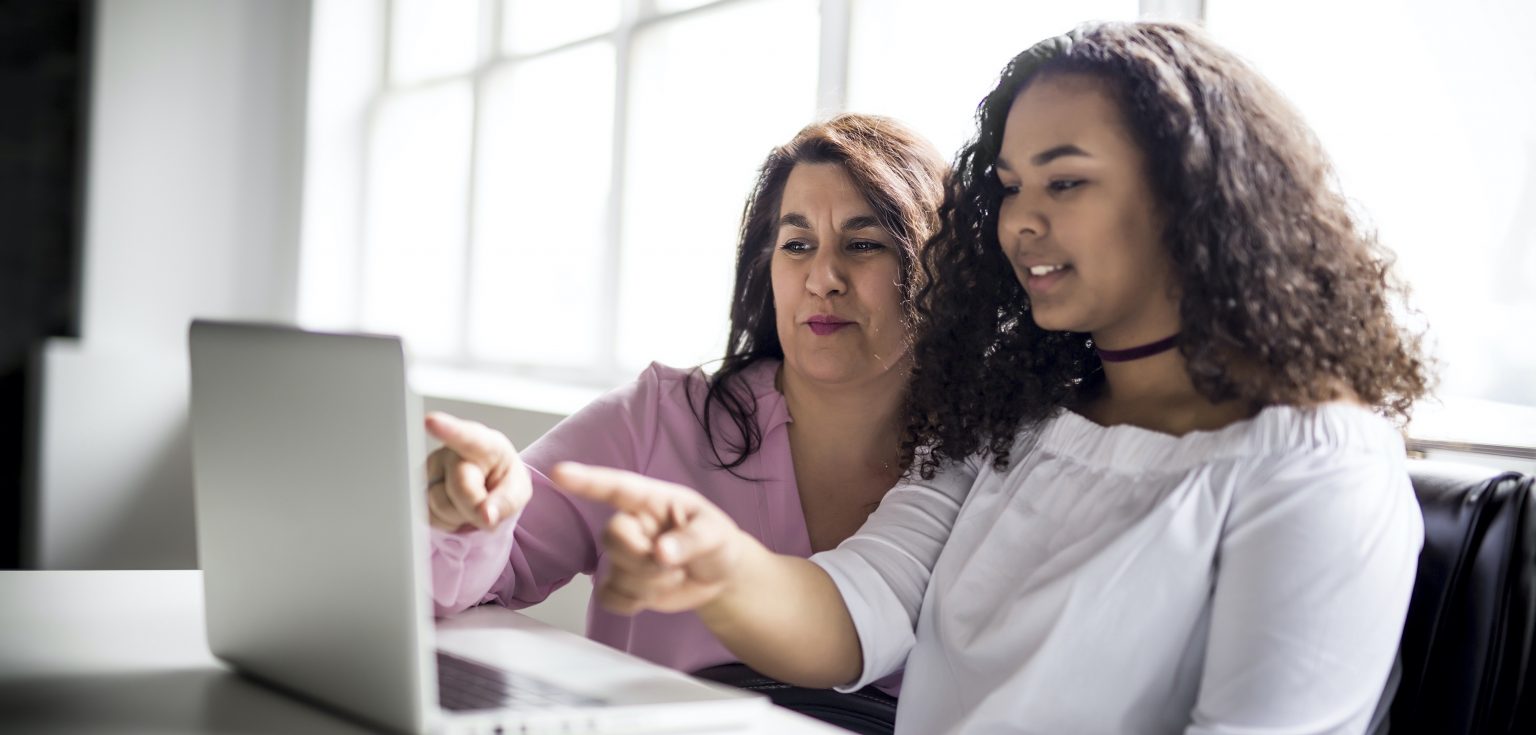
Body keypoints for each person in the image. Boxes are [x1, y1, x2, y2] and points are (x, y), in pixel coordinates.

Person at [550, 21, 1432, 735]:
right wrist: (723, 566)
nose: (1022, 224)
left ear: (1192, 197)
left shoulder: (1314, 467)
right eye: (1011, 188)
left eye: (1066, 183)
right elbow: (858, 610)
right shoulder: (1017, 423)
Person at [424, 113, 948, 734]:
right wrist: (474, 511)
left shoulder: (985, 467)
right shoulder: (657, 419)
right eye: (797, 244)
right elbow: (449, 586)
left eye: (863, 245)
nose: (822, 279)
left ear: (936, 270)